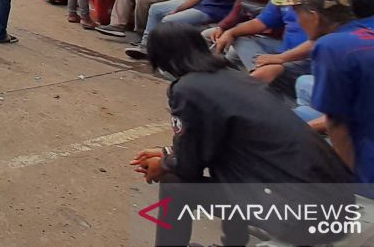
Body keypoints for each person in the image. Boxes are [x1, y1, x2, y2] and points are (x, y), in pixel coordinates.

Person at [130, 23, 354, 247]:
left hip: (297, 213)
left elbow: (189, 165)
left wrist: (165, 164)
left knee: (174, 183)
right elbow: (221, 146)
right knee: (230, 172)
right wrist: (167, 153)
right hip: (336, 202)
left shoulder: (187, 89)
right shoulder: (236, 78)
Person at [276, 0, 374, 184]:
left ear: (314, 16)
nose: (297, 20)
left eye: (298, 13)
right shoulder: (365, 34)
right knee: (298, 112)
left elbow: (337, 122)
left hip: (366, 156)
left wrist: (348, 177)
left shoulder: (331, 46)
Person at [209, 0, 313, 93]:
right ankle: (262, 72)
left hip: (306, 59)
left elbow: (319, 41)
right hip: (282, 52)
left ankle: (262, 77)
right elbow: (260, 23)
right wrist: (230, 32)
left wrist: (281, 59)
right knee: (240, 37)